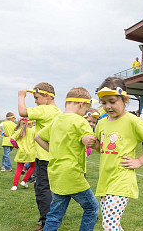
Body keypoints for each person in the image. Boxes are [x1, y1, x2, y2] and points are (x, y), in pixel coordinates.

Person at [93, 77, 143, 231]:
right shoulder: (102, 122)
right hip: (105, 180)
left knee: (109, 225)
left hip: (121, 180)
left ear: (125, 100)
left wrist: (140, 161)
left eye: (112, 101)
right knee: (111, 224)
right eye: (104, 103)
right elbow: (101, 148)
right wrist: (93, 143)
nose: (108, 106)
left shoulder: (132, 120)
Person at [35, 87, 99, 231]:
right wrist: (88, 140)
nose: (85, 113)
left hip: (56, 174)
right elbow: (87, 140)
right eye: (86, 109)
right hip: (73, 175)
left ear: (65, 104)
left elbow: (38, 137)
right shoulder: (80, 121)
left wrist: (53, 152)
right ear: (82, 104)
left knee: (55, 215)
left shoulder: (57, 120)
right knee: (92, 208)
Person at [18, 82, 62, 230]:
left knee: (43, 190)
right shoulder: (57, 111)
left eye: (37, 98)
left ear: (48, 96)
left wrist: (21, 96)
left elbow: (23, 112)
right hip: (53, 156)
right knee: (49, 189)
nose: (35, 102)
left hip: (44, 157)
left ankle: (46, 223)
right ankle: (48, 218)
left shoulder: (45, 109)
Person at [9, 118, 36, 191]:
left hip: (21, 152)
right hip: (31, 152)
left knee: (19, 169)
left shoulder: (18, 131)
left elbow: (12, 140)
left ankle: (15, 186)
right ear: (30, 124)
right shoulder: (33, 131)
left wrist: (17, 146)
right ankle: (24, 181)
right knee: (33, 166)